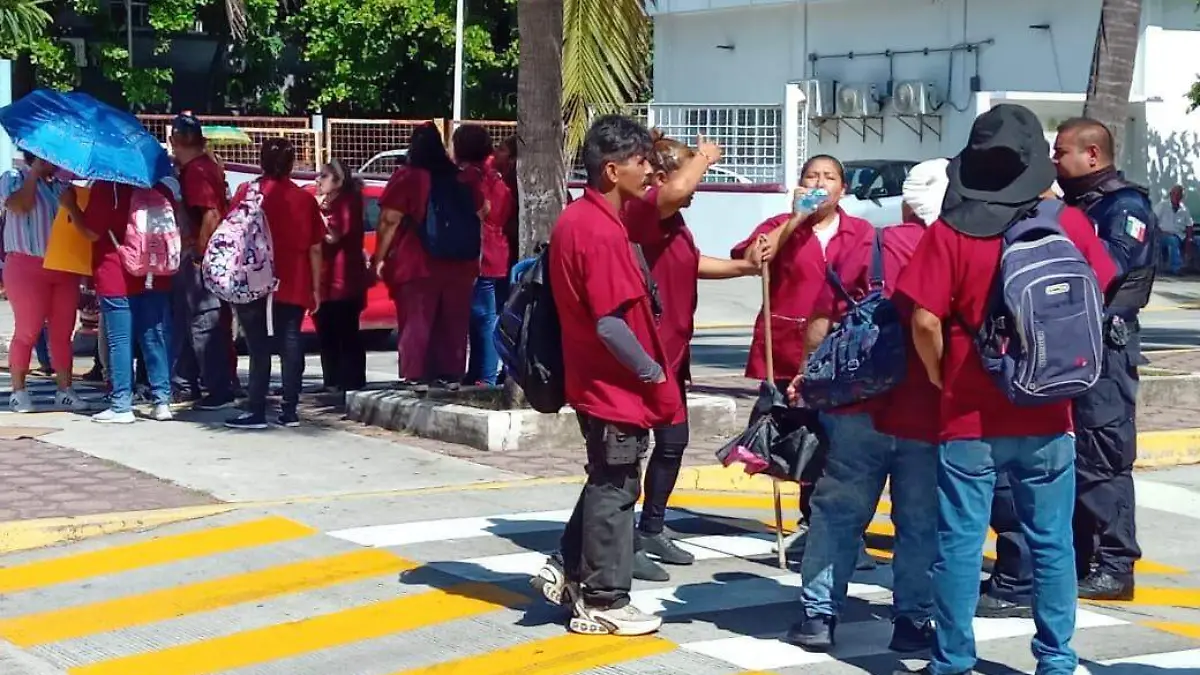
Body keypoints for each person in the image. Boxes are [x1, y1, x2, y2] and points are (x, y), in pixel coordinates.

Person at [893, 104, 1118, 675]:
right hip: (1048, 407)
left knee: (961, 544)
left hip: (969, 411)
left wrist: (945, 375)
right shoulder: (1065, 223)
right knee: (1053, 544)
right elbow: (1102, 286)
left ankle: (953, 660)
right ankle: (1057, 658)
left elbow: (922, 318)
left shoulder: (949, 232)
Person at [783, 158, 949, 654]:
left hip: (858, 408)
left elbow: (821, 319)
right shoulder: (956, 250)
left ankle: (818, 616)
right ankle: (912, 619)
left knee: (837, 513)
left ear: (905, 202)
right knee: (919, 519)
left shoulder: (866, 243)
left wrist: (809, 377)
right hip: (926, 412)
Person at [530, 114, 681, 637]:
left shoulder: (585, 218)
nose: (650, 171)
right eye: (642, 163)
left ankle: (568, 566)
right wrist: (651, 368)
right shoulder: (596, 230)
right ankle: (603, 601)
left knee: (606, 480)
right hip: (612, 385)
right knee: (617, 489)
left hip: (600, 382)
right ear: (612, 170)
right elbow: (610, 323)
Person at [620, 131, 762, 582]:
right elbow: (679, 188)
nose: (695, 188)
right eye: (690, 177)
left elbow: (691, 261)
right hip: (644, 355)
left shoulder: (674, 222)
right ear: (661, 178)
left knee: (673, 442)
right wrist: (703, 156)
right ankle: (620, 541)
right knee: (630, 452)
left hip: (675, 354)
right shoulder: (642, 212)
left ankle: (652, 528)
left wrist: (744, 267)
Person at [731, 154, 873, 561]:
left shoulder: (861, 232)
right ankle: (810, 520)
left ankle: (831, 524)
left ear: (842, 189)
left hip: (841, 355)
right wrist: (796, 219)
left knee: (837, 443)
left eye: (829, 177)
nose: (820, 183)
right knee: (799, 441)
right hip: (788, 349)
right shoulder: (778, 227)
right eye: (812, 176)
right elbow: (755, 260)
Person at [1055, 117, 1157, 601]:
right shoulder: (1074, 206)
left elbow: (1108, 270)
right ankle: (1081, 555)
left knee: (1105, 455)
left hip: (1107, 348)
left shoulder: (1125, 206)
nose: (1056, 162)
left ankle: (1115, 563)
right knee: (1075, 457)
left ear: (1091, 155)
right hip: (1070, 349)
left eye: (1062, 153)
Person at [372, 122, 483, 388]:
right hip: (461, 262)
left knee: (416, 319)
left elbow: (389, 219)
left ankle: (416, 375)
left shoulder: (408, 177)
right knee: (454, 321)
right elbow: (481, 213)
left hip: (419, 260)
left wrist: (379, 256)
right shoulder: (462, 177)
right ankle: (450, 374)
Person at [225, 138, 323, 430]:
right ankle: (290, 409)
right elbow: (315, 247)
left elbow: (231, 233)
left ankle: (255, 409)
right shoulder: (304, 200)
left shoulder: (248, 193)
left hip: (254, 277)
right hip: (293, 278)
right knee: (290, 340)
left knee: (258, 346)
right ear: (292, 164)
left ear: (261, 161)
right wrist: (316, 287)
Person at [81, 180, 176, 423]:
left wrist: (71, 206)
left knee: (119, 340)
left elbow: (91, 231)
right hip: (154, 272)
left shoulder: (106, 188)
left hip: (116, 271)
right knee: (153, 337)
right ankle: (162, 401)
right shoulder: (160, 188)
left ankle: (121, 403)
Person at [0, 152, 88, 413]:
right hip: (26, 264)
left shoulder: (62, 186)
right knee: (28, 329)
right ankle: (19, 391)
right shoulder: (13, 178)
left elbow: (79, 225)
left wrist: (71, 204)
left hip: (62, 265)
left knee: (63, 331)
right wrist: (34, 176)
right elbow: (19, 206)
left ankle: (65, 389)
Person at [170, 113, 237, 409]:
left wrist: (199, 252)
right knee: (192, 320)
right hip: (206, 253)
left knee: (203, 321)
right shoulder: (204, 167)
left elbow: (211, 213)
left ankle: (218, 387)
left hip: (200, 255)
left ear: (176, 141)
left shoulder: (197, 172)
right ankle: (187, 383)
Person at [455, 124, 514, 387]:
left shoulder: (471, 177)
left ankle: (486, 375)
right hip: (498, 251)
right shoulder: (496, 178)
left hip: (482, 254)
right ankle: (480, 371)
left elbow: (482, 209)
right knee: (487, 316)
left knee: (483, 317)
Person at [314, 158, 368, 393]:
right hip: (327, 280)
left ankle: (350, 380)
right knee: (327, 331)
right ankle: (333, 380)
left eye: (324, 176)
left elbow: (333, 235)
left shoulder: (347, 203)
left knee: (345, 331)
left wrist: (316, 215)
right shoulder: (329, 204)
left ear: (338, 180)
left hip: (343, 279)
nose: (319, 180)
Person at [1155, 184, 1191, 275]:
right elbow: (1153, 220)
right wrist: (1160, 231)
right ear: (1170, 194)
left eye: (1179, 194)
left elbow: (1189, 225)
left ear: (1182, 197)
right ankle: (1176, 268)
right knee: (1173, 241)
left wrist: (1189, 238)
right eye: (1175, 194)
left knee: (1198, 242)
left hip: (1180, 235)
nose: (1177, 196)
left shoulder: (1184, 209)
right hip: (1162, 235)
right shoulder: (1162, 205)